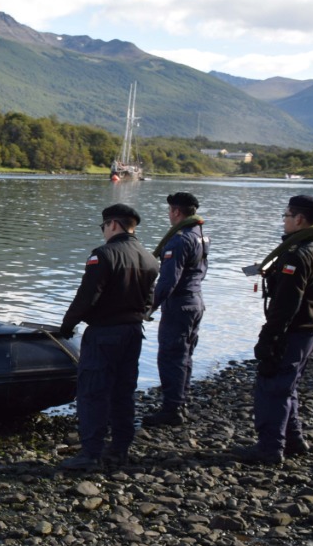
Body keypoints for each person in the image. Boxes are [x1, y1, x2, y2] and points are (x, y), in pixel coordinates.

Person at [58, 204, 159, 471]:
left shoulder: (103, 255)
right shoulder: (150, 259)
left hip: (104, 333)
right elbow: (150, 302)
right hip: (134, 332)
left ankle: (90, 454)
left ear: (112, 224)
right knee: (123, 392)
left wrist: (66, 326)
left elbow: (87, 297)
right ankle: (120, 449)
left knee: (93, 392)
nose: (103, 231)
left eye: (103, 226)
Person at [234, 195, 313, 464]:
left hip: (293, 330)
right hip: (309, 328)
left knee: (273, 386)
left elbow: (287, 303)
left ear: (299, 219)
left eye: (286, 216)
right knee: (288, 386)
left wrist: (270, 337)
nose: (285, 220)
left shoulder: (299, 254)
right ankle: (293, 440)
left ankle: (269, 448)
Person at [144, 192, 209, 427]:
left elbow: (168, 280)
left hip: (179, 304)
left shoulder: (179, 240)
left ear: (176, 212)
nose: (169, 214)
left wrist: (150, 307)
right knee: (185, 355)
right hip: (195, 301)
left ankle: (172, 409)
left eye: (170, 210)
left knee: (171, 356)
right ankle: (180, 402)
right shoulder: (201, 235)